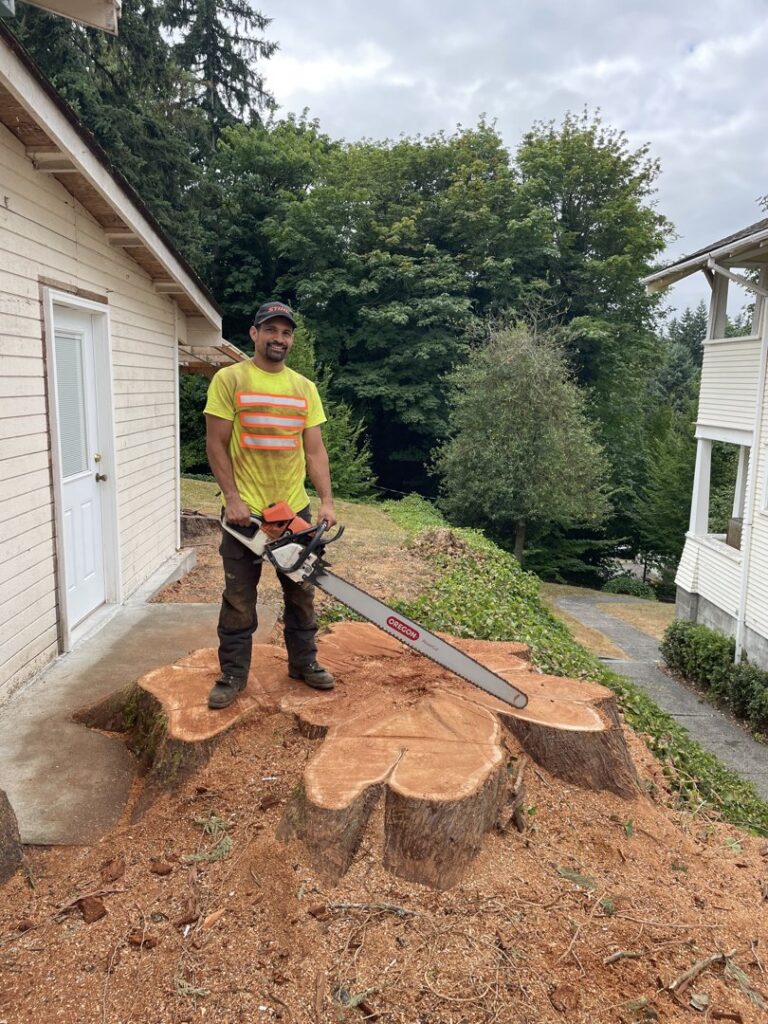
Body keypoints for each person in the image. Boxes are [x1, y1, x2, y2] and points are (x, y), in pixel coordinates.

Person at [203, 300, 337, 710]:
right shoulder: (231, 379)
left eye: (286, 332)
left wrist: (326, 501)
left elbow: (314, 451)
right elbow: (215, 443)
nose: (280, 338)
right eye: (272, 330)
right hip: (246, 514)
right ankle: (233, 673)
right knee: (239, 597)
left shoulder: (304, 388)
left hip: (293, 510)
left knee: (301, 593)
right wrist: (232, 498)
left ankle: (304, 662)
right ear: (254, 333)